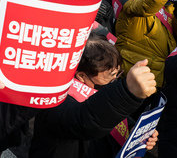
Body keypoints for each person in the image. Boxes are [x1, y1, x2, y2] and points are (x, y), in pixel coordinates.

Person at [30, 36, 159, 158]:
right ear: (82, 76)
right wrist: (127, 92)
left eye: (117, 73)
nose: (114, 79)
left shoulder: (95, 90)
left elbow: (114, 118)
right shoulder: (57, 100)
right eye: (110, 75)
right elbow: (87, 120)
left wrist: (134, 132)